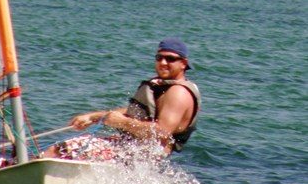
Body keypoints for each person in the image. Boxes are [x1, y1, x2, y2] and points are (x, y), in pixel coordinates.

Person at [43, 37, 201, 160]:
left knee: (57, 150)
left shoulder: (178, 92)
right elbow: (137, 112)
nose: (163, 62)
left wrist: (122, 122)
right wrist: (95, 117)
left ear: (183, 63)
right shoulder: (165, 87)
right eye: (159, 58)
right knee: (75, 148)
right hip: (131, 150)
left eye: (170, 59)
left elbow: (161, 133)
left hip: (139, 155)